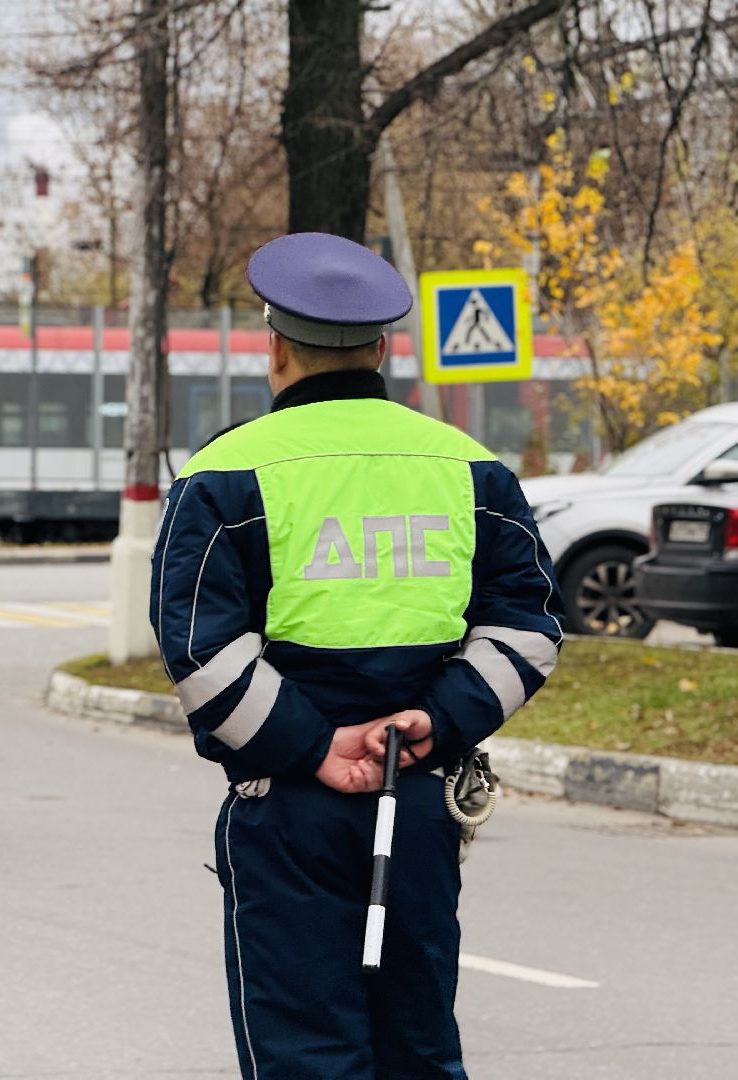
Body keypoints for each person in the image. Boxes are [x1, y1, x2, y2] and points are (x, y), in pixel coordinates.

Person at [149, 232, 561, 1079]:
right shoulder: (472, 468)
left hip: (290, 809)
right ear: (381, 347)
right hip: (416, 799)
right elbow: (530, 625)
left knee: (306, 1053)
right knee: (417, 1048)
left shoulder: (224, 474)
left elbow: (199, 650)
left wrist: (315, 746)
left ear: (274, 350)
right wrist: (435, 722)